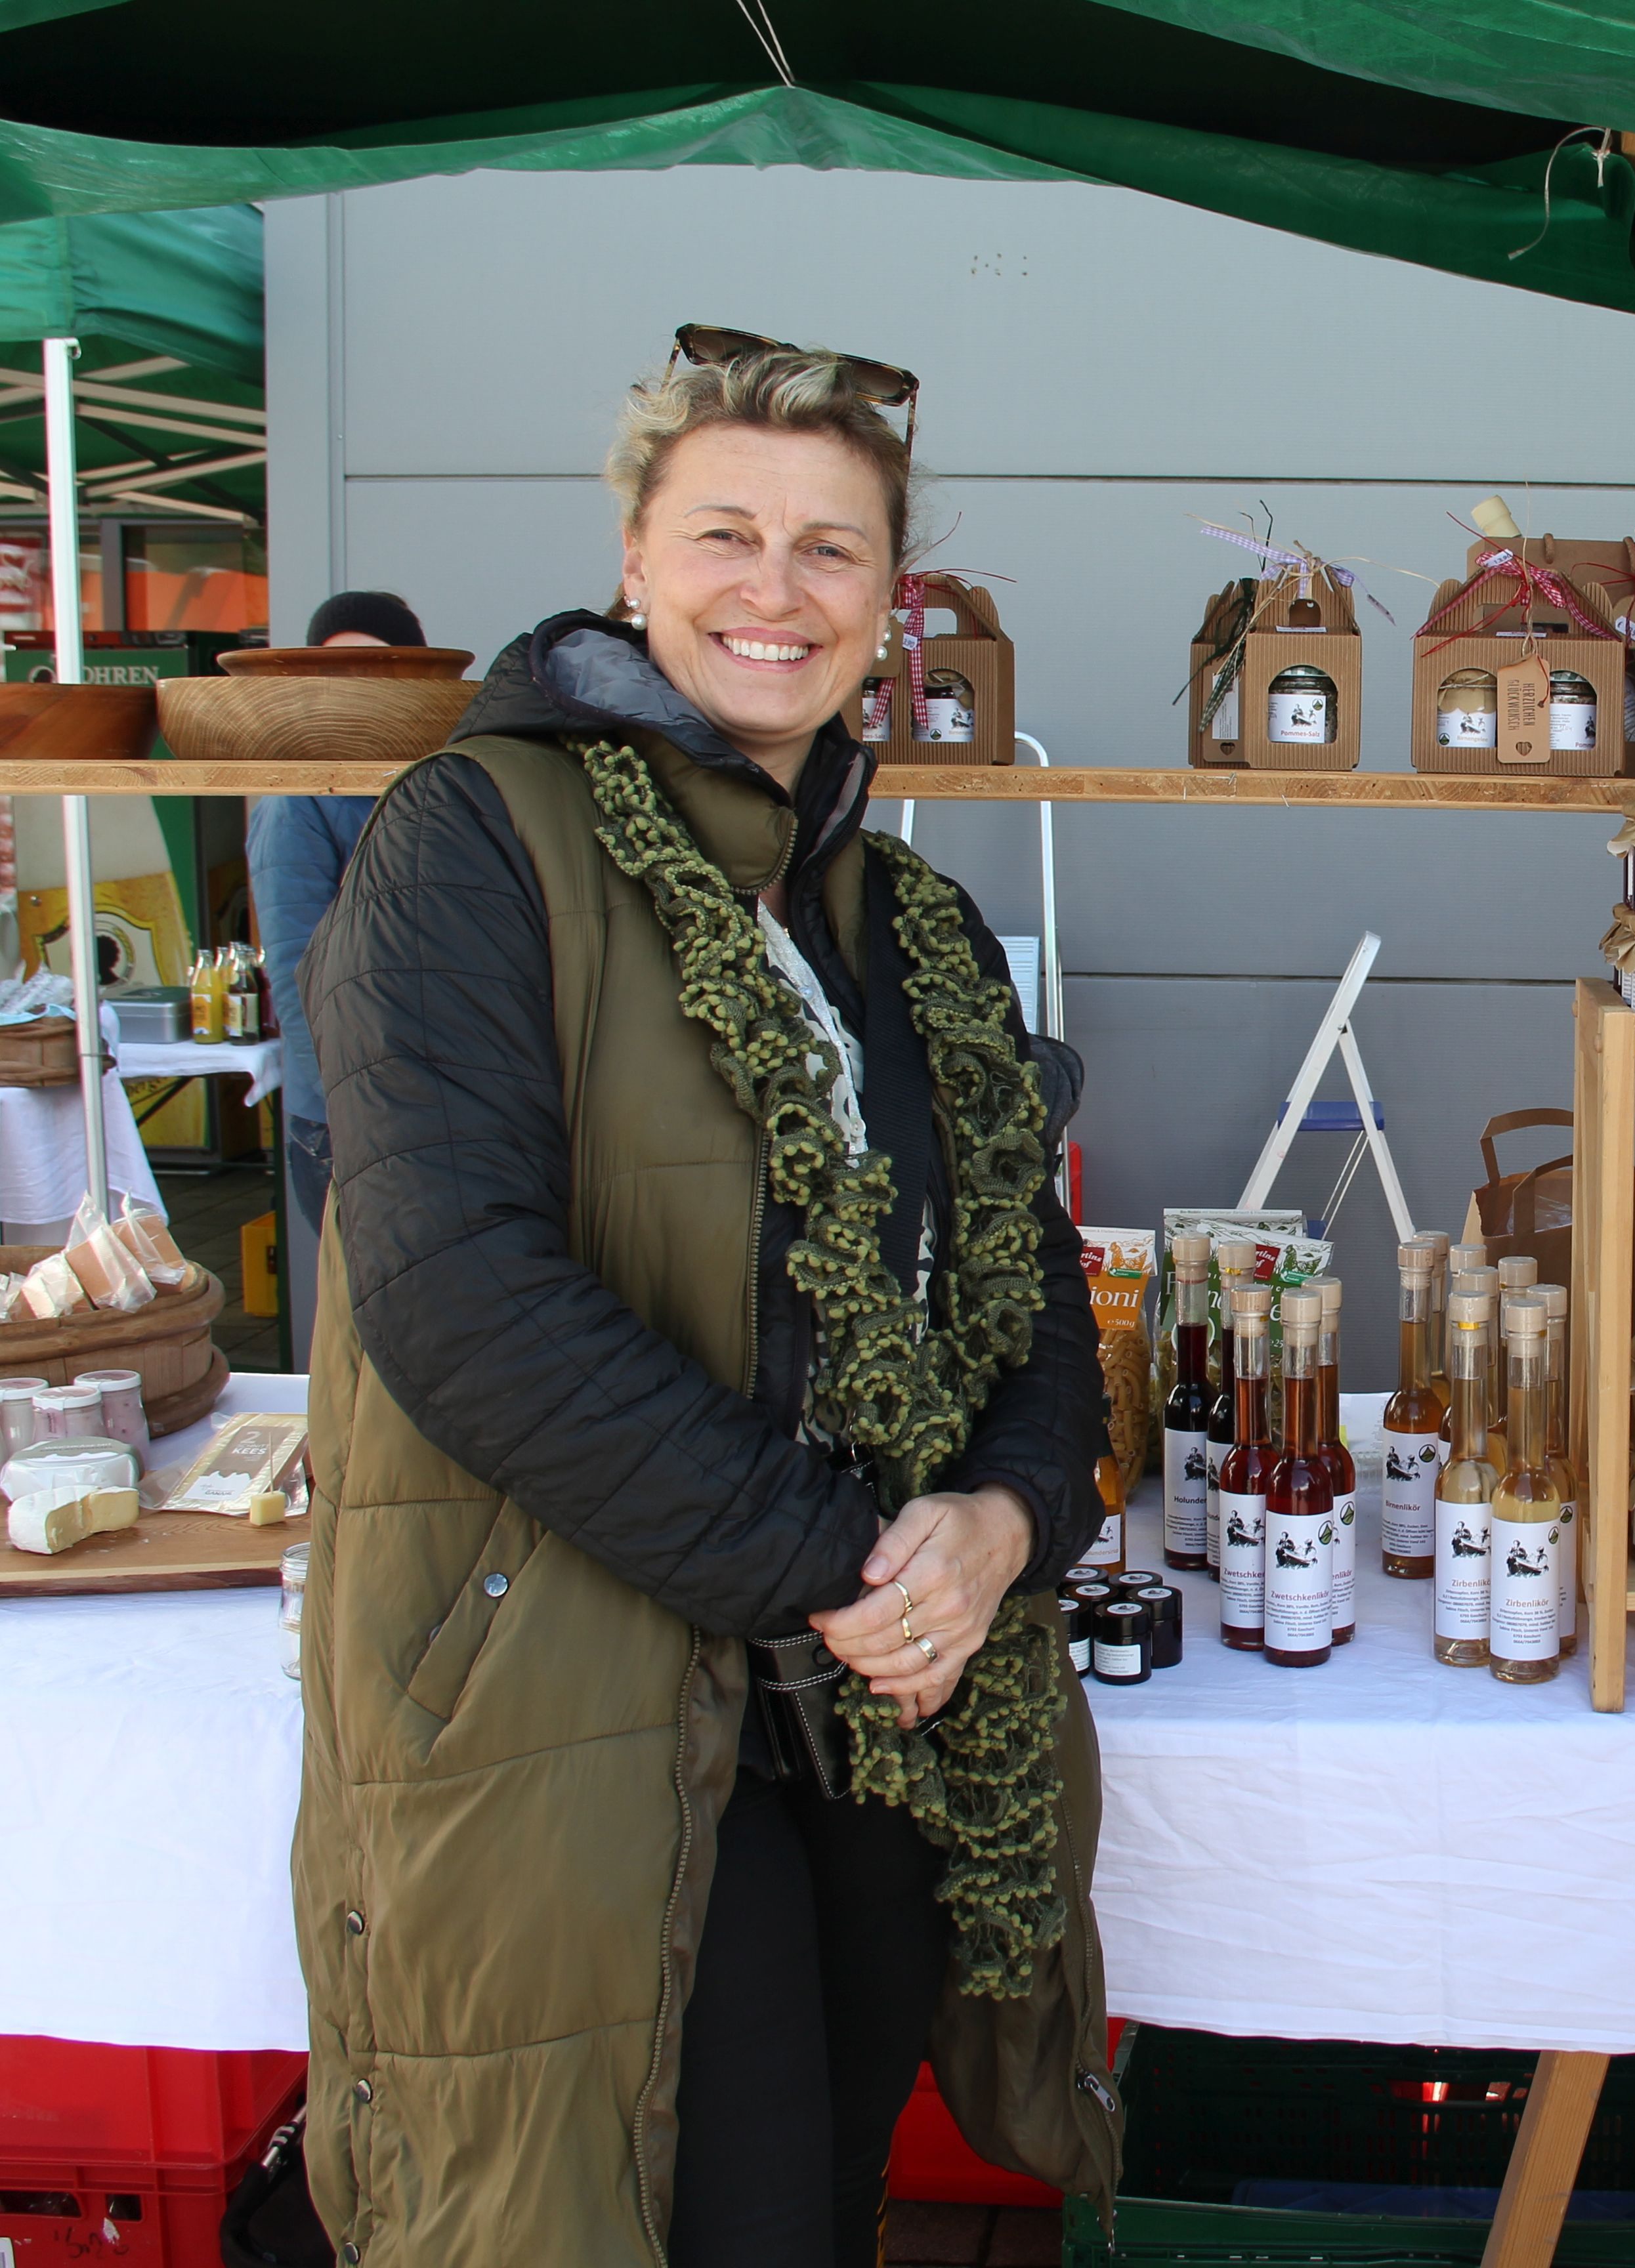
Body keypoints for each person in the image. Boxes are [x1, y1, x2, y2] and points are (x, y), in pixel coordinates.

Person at [288, 335, 1120, 2268]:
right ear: (635, 563)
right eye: (727, 532)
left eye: (834, 551)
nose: (778, 588)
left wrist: (1002, 1523)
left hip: (867, 1728)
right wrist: (851, 1565)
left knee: (811, 2212)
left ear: (887, 608)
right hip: (566, 1703)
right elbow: (456, 1292)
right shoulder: (473, 846)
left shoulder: (907, 928)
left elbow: (1033, 1293)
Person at [245, 589, 423, 1234]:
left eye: (378, 665)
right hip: (346, 1117)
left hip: (434, 1105)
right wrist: (349, 1106)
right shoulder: (297, 800)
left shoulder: (433, 778)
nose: (357, 684)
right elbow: (298, 972)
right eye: (337, 666)